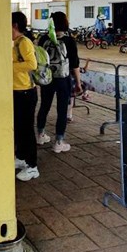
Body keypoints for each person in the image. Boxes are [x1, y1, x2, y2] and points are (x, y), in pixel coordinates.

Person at [35, 11, 82, 153]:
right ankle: (59, 142)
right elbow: (75, 64)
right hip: (63, 79)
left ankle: (40, 135)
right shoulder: (69, 41)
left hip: (47, 78)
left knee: (44, 106)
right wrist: (78, 83)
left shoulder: (43, 39)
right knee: (62, 110)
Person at [11, 11, 40, 180]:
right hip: (17, 91)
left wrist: (9, 66)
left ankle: (32, 166)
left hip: (26, 93)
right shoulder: (15, 43)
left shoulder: (24, 42)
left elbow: (32, 64)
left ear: (15, 25)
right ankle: (21, 158)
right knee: (19, 128)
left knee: (27, 129)